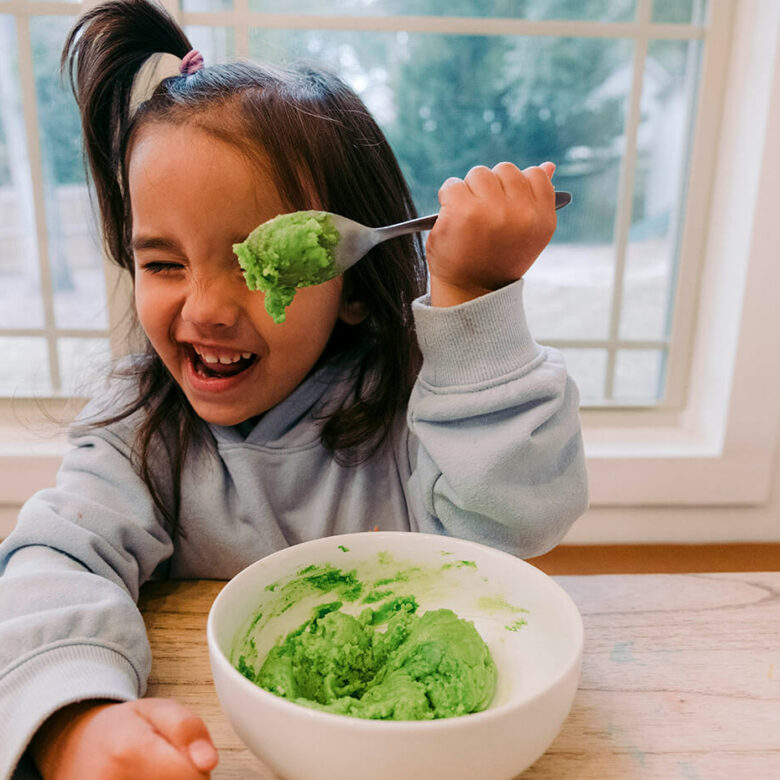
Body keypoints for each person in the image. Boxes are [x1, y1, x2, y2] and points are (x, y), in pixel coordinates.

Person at [0, 0, 588, 777]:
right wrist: (72, 722)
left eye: (256, 262)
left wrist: (476, 301)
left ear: (350, 282)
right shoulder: (137, 432)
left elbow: (511, 530)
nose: (204, 309)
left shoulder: (417, 410)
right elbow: (51, 566)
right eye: (163, 263)